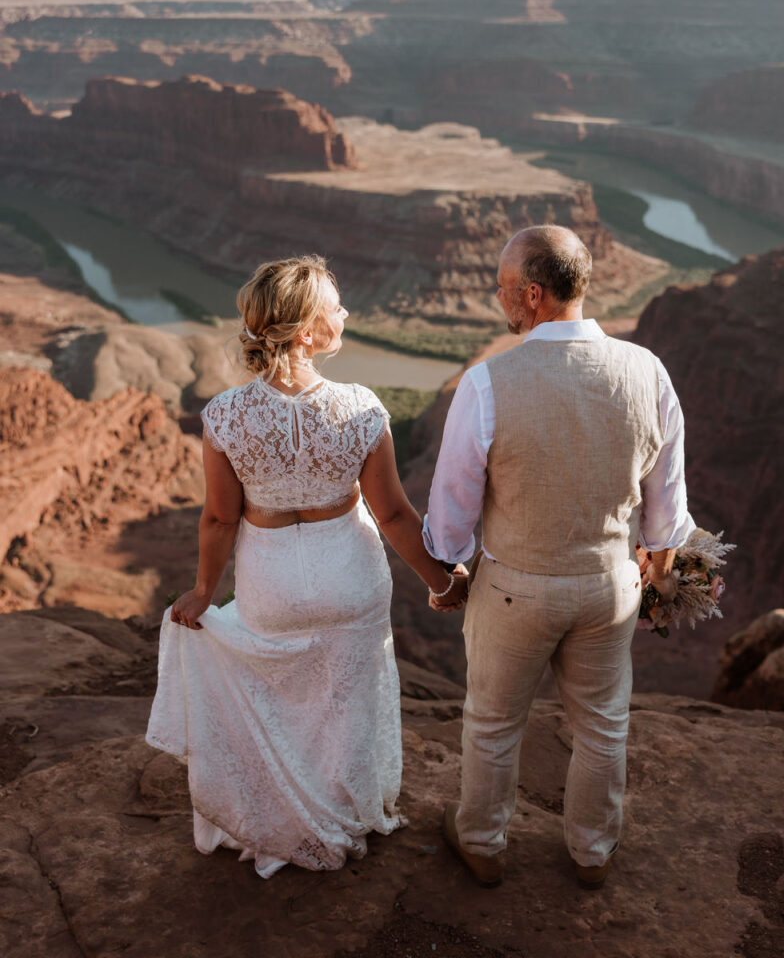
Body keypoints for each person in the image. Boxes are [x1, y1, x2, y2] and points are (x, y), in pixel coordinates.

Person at [146, 255, 466, 877]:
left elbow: (218, 520)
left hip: (271, 580)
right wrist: (440, 581)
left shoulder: (226, 416)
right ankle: (344, 816)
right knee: (348, 703)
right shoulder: (360, 408)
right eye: (334, 307)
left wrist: (204, 592)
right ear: (306, 332)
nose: (344, 314)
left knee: (282, 697)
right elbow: (396, 514)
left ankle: (288, 818)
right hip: (348, 572)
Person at [423, 225, 693, 889]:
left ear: (535, 295)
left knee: (491, 724)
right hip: (608, 585)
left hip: (514, 588)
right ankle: (590, 852)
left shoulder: (487, 384)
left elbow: (452, 509)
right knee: (602, 726)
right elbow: (666, 512)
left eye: (504, 288)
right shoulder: (647, 371)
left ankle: (483, 844)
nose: (498, 297)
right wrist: (656, 577)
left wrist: (449, 571)